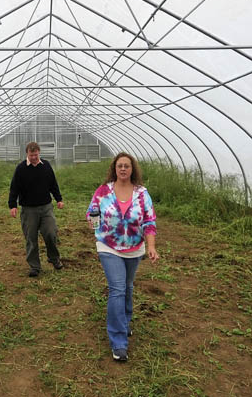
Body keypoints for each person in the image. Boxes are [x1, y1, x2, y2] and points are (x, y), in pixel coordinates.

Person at [86, 152, 158, 362]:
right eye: (120, 166)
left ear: (132, 169)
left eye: (127, 166)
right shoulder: (103, 191)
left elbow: (149, 221)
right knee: (117, 288)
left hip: (135, 248)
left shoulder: (142, 193)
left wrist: (151, 246)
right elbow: (92, 211)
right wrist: (95, 224)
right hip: (108, 246)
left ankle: (124, 323)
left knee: (127, 286)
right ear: (114, 169)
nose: (124, 169)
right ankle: (118, 342)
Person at [8, 142, 65, 277]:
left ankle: (54, 258)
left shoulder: (46, 166)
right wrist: (13, 205)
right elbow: (14, 188)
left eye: (36, 155)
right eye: (31, 155)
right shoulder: (21, 168)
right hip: (28, 210)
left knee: (51, 233)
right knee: (31, 238)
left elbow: (53, 184)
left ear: (39, 153)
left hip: (46, 207)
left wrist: (59, 199)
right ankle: (34, 266)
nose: (34, 157)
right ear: (27, 154)